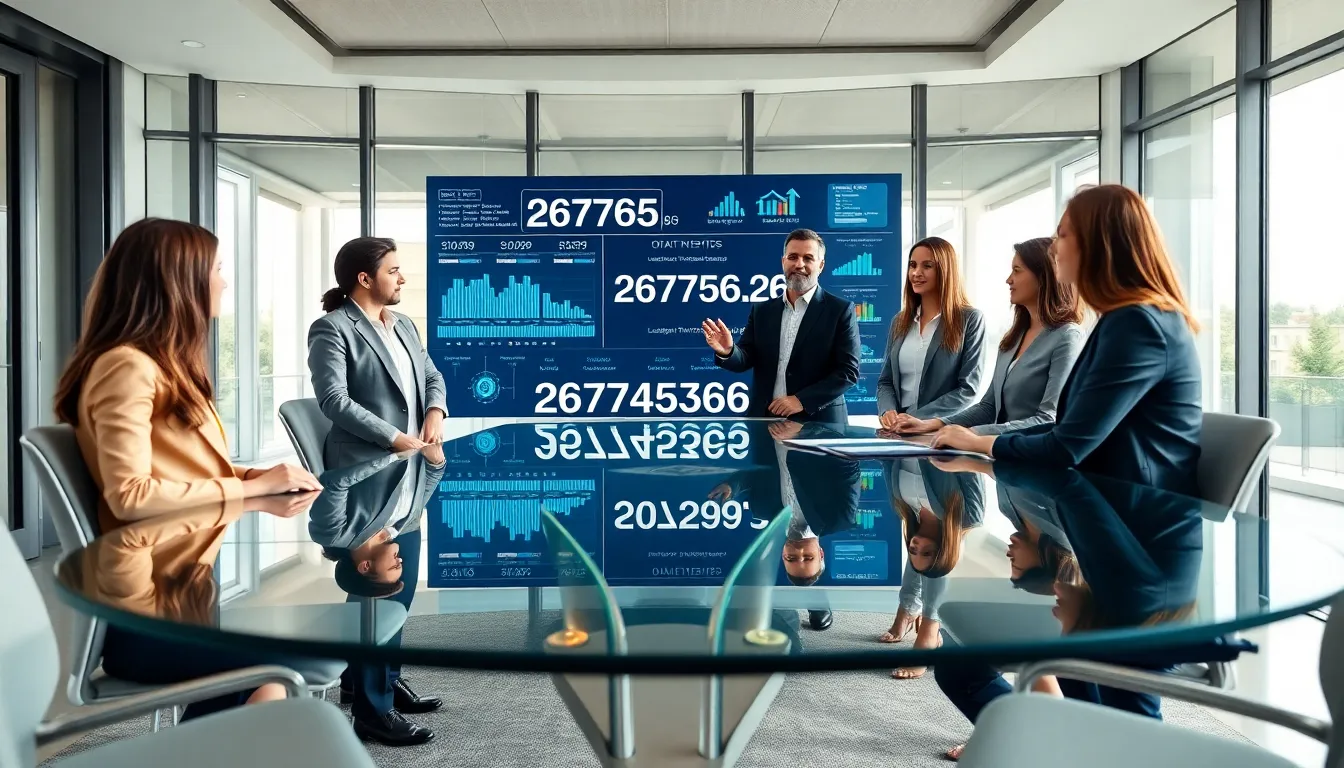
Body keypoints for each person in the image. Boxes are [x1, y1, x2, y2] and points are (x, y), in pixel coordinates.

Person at [53, 217, 322, 717]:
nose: (224, 280)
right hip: (145, 618)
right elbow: (128, 495)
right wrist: (244, 491)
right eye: (217, 268)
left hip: (178, 597)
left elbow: (180, 466)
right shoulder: (126, 366)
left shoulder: (161, 363)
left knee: (276, 665)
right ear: (178, 280)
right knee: (280, 665)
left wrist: (254, 479)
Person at [932, 185, 1202, 494]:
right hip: (1115, 508)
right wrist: (972, 438)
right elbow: (1070, 430)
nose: (1053, 248)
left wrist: (980, 442)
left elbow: (1067, 446)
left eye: (1062, 235)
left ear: (1096, 244)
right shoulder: (1126, 319)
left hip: (1137, 522)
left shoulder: (1136, 325)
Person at [308, 236, 447, 746]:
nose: (402, 278)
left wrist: (434, 413)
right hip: (370, 473)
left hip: (410, 470)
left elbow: (432, 376)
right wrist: (392, 437)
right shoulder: (332, 328)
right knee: (374, 594)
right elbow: (333, 399)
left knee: (399, 587)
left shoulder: (404, 324)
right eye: (394, 270)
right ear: (364, 279)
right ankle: (371, 710)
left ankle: (377, 679)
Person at [894, 237, 1083, 437]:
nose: (1009, 279)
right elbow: (988, 407)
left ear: (1044, 276)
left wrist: (972, 435)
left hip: (1034, 458)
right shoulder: (1012, 338)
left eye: (1017, 271)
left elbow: (1048, 419)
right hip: (1002, 454)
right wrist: (935, 424)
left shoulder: (1067, 337)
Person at [702, 229, 861, 422]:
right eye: (793, 257)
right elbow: (744, 359)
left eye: (808, 258)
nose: (799, 264)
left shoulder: (839, 310)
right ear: (783, 262)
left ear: (821, 265)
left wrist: (801, 400)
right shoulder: (762, 311)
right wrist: (728, 351)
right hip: (765, 422)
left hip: (819, 423)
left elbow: (848, 372)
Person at [876, 458, 985, 679]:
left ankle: (909, 614)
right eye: (925, 552)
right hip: (937, 434)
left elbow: (887, 460)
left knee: (924, 554)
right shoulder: (969, 516)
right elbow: (970, 463)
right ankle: (929, 630)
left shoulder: (900, 506)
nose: (914, 546)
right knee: (936, 565)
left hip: (905, 436)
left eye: (914, 551)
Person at [877, 237, 986, 432]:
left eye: (927, 266)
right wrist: (887, 411)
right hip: (898, 431)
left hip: (941, 430)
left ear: (945, 271)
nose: (916, 273)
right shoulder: (899, 322)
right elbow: (886, 381)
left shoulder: (970, 319)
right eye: (912, 265)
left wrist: (917, 418)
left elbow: (968, 389)